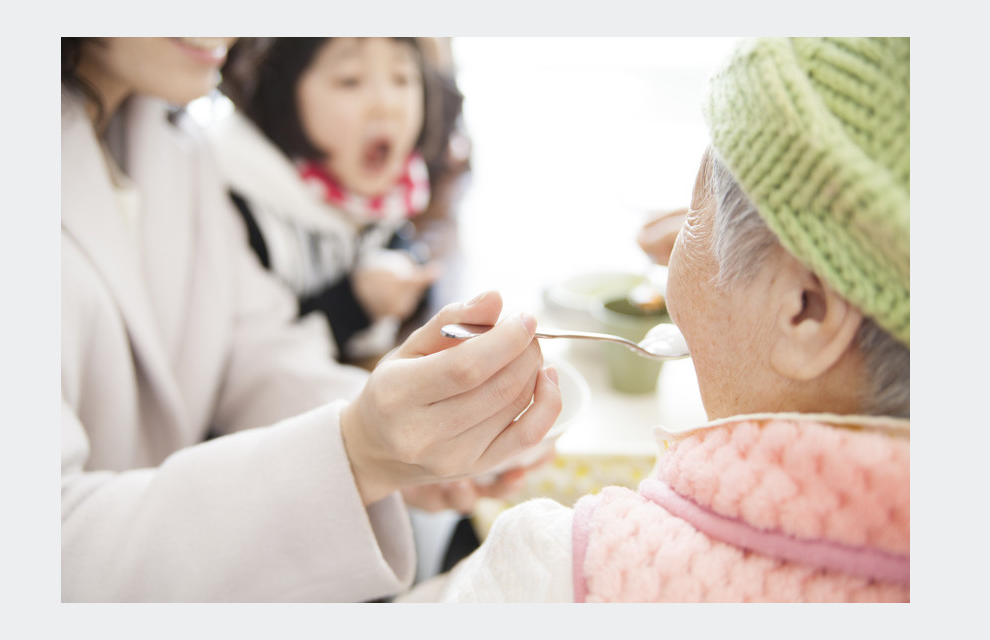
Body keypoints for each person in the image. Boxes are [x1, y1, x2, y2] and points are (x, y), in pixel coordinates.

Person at [396, 36, 910, 603]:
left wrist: (370, 457)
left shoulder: (551, 573)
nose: (666, 248)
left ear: (805, 310)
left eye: (695, 208)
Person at [60, 37, 561, 602]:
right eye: (350, 81)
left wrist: (411, 436)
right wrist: (355, 456)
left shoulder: (173, 142)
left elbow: (253, 348)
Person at [205, 37, 456, 362]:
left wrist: (406, 277)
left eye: (402, 78)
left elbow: (395, 243)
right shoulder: (240, 202)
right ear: (284, 92)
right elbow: (252, 359)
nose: (387, 104)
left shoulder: (368, 186)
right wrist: (356, 302)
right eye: (350, 80)